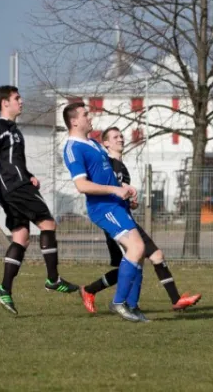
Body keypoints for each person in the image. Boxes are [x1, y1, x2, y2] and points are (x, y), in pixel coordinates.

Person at [78, 126, 201, 313]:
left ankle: (174, 300)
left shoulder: (123, 168)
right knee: (132, 264)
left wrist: (131, 201)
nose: (120, 139)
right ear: (106, 143)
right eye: (115, 137)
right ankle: (119, 302)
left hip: (126, 217)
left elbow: (123, 195)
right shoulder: (105, 163)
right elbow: (100, 191)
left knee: (154, 257)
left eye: (121, 136)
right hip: (114, 221)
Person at [0, 85, 78, 315]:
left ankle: (4, 288)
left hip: (18, 183)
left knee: (21, 237)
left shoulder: (14, 130)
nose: (21, 101)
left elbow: (15, 161)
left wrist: (29, 175)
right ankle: (53, 279)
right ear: (5, 103)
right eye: (17, 98)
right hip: (15, 188)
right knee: (48, 224)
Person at [62, 102, 148, 322]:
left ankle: (132, 306)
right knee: (137, 248)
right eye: (85, 114)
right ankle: (118, 303)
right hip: (103, 208)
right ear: (74, 121)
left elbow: (108, 175)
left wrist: (125, 189)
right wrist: (114, 190)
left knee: (139, 254)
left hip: (116, 205)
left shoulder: (92, 143)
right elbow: (82, 186)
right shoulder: (73, 148)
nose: (90, 117)